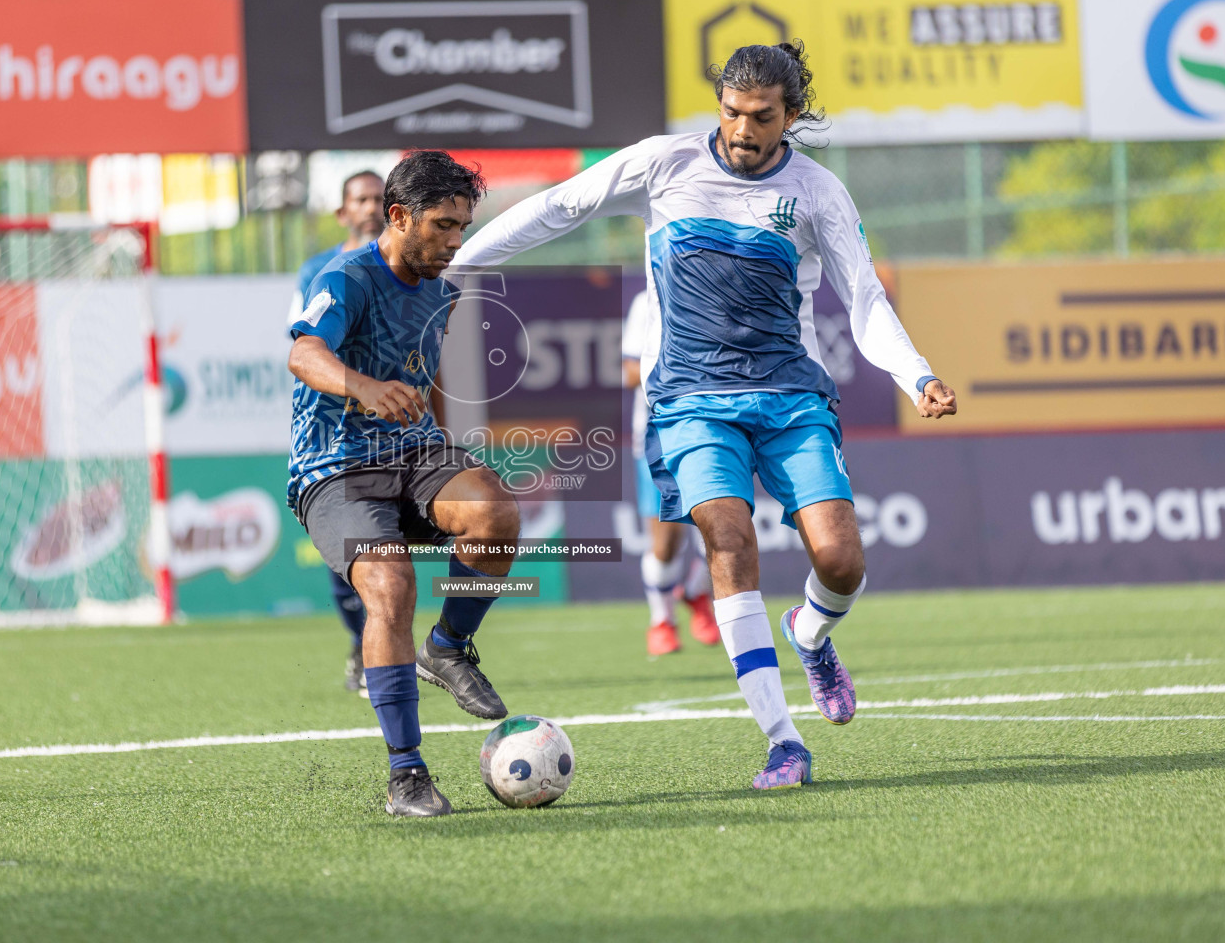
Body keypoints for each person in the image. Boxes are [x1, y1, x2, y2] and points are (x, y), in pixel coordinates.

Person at [453, 41, 958, 790]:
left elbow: (865, 301)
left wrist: (917, 374)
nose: (742, 129)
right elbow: (562, 206)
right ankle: (783, 741)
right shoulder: (665, 162)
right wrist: (460, 262)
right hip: (690, 399)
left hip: (790, 394)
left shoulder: (818, 192)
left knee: (842, 562)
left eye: (761, 117)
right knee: (727, 536)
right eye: (731, 111)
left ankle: (811, 634)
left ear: (791, 116)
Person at [287, 150, 520, 818]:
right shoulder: (348, 277)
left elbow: (427, 371)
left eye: (463, 227)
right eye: (444, 225)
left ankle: (447, 648)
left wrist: (452, 447)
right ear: (398, 216)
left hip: (414, 455)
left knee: (495, 515)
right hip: (334, 468)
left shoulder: (442, 288)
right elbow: (304, 352)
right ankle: (407, 774)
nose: (455, 241)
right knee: (390, 586)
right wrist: (362, 387)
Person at [288, 169, 387, 695]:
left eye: (379, 198)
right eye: (361, 199)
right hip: (336, 430)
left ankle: (411, 647)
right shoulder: (317, 271)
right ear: (343, 212)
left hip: (396, 427)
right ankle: (364, 642)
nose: (371, 206)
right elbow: (302, 349)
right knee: (346, 548)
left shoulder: (408, 268)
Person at [623, 287, 719, 657]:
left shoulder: (718, 292)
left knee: (727, 531)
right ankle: (662, 619)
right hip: (658, 435)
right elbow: (630, 372)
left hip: (715, 428)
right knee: (665, 544)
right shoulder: (645, 301)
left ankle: (696, 591)